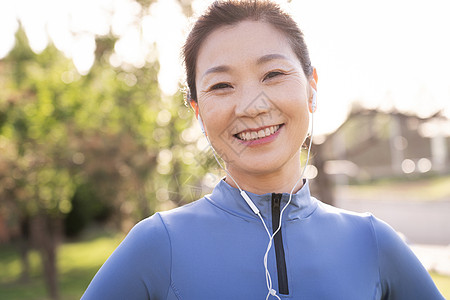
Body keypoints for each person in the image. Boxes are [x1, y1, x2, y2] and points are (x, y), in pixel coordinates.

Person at [82, 1, 445, 299]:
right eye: (222, 85)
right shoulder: (159, 243)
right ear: (197, 112)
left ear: (311, 87)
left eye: (272, 74)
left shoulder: (372, 242)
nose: (251, 106)